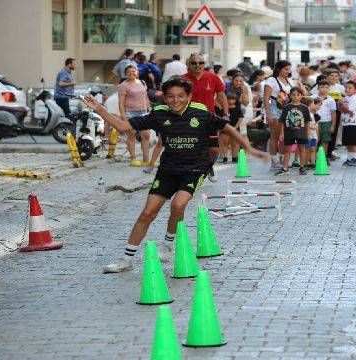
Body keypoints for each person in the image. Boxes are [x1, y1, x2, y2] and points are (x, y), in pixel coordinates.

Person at [82, 77, 268, 273]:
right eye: (171, 96)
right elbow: (124, 127)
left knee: (178, 204)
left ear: (188, 96)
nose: (175, 100)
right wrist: (99, 109)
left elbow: (227, 128)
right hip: (168, 169)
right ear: (165, 98)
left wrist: (249, 149)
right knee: (148, 213)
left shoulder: (201, 113)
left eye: (180, 96)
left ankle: (168, 244)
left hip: (194, 169)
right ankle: (126, 260)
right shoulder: (159, 114)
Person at [182, 53, 228, 182]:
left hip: (209, 118)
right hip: (188, 119)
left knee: (213, 150)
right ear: (188, 64)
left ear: (204, 64)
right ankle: (191, 173)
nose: (198, 65)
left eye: (201, 63)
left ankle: (209, 166)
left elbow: (222, 96)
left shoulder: (213, 78)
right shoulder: (182, 80)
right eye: (194, 63)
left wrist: (225, 113)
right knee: (191, 149)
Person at [264, 61, 296, 169]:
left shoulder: (290, 81)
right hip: (274, 109)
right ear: (279, 69)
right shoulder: (271, 80)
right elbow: (266, 98)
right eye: (286, 69)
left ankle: (283, 159)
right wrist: (268, 113)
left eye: (289, 69)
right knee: (275, 136)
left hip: (288, 110)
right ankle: (274, 161)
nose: (288, 71)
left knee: (285, 136)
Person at [118, 65, 152, 167]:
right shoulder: (123, 85)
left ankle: (146, 160)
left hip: (143, 111)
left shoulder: (142, 82)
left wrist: (149, 107)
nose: (132, 73)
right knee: (131, 134)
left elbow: (145, 97)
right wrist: (123, 117)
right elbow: (120, 102)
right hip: (130, 112)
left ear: (137, 72)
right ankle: (133, 158)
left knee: (146, 135)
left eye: (134, 71)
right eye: (129, 72)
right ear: (126, 74)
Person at [275, 87, 311, 176]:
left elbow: (307, 121)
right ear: (290, 96)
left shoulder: (304, 107)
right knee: (287, 150)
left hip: (301, 132)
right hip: (289, 132)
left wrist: (308, 133)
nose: (295, 97)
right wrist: (282, 133)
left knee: (301, 148)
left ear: (301, 96)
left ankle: (302, 167)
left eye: (298, 95)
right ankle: (285, 168)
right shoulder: (287, 107)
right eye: (293, 95)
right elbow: (282, 121)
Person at [340, 81, 356, 166]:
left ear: (355, 90)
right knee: (348, 142)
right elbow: (342, 110)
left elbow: (349, 109)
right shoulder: (346, 98)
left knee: (354, 142)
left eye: (350, 88)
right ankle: (350, 158)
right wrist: (342, 104)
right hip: (346, 123)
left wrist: (342, 103)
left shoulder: (355, 98)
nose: (347, 89)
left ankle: (355, 158)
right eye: (346, 88)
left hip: (355, 124)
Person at [314, 80, 337, 157]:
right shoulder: (312, 97)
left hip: (326, 122)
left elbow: (333, 113)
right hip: (314, 122)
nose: (324, 89)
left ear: (329, 89)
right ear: (318, 88)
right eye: (322, 87)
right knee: (315, 140)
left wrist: (333, 125)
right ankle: (313, 159)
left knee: (325, 141)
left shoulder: (331, 99)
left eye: (327, 87)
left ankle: (323, 158)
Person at [305, 97, 322, 169]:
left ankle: (312, 163)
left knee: (312, 149)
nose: (318, 107)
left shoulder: (313, 114)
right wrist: (313, 126)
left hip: (313, 135)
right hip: (309, 135)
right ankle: (304, 164)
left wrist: (317, 136)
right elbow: (308, 124)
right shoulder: (307, 113)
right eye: (314, 104)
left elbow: (315, 125)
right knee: (307, 149)